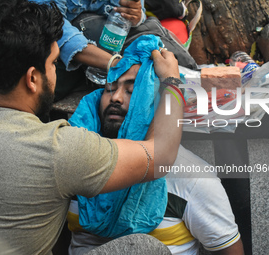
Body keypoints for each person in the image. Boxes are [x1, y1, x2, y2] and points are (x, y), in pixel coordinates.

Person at [0, 1, 184, 254]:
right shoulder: (58, 150)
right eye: (53, 64)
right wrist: (171, 82)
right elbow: (160, 155)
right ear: (32, 79)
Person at [67, 38, 245, 255]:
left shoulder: (193, 178)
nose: (115, 97)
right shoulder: (74, 160)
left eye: (132, 91)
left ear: (158, 103)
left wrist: (171, 79)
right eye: (109, 88)